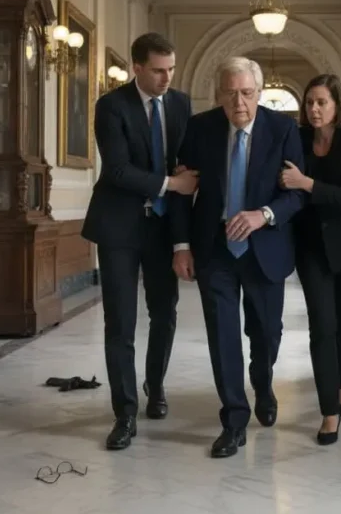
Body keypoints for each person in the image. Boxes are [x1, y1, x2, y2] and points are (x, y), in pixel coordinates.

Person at [171, 57, 305, 459]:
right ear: (219, 94)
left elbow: (297, 194)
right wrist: (181, 246)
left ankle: (262, 383)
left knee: (267, 332)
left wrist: (263, 215)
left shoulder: (282, 130)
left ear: (259, 93)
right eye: (231, 93)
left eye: (247, 93)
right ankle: (233, 419)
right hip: (215, 250)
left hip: (265, 249)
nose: (239, 102)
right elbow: (182, 189)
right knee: (223, 335)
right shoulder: (200, 128)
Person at [80, 32, 198, 451]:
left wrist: (183, 241)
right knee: (121, 323)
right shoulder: (111, 106)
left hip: (164, 231)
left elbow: (189, 168)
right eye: (158, 70)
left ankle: (156, 385)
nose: (167, 78)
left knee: (165, 315)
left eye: (171, 69)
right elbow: (117, 171)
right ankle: (125, 413)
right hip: (119, 228)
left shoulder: (182, 104)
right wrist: (172, 183)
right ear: (137, 68)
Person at [279, 74, 341, 445]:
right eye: (309, 103)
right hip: (312, 246)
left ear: (337, 104)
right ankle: (329, 411)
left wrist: (306, 183)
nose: (314, 109)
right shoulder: (298, 139)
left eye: (321, 102)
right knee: (322, 325)